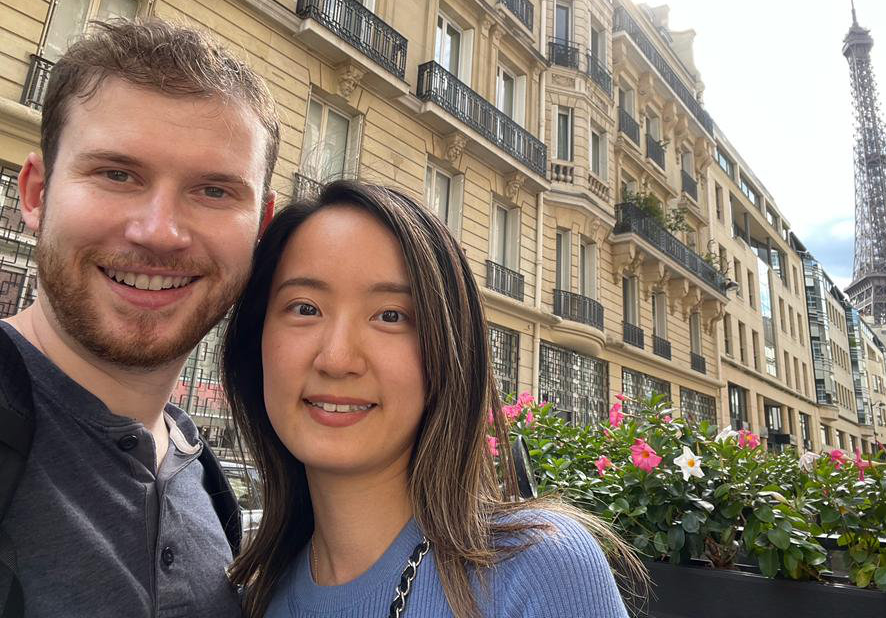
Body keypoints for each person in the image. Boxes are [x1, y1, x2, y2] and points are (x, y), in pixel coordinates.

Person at [222, 180, 641, 618]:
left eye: (390, 316)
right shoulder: (257, 597)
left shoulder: (538, 570)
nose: (337, 358)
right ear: (258, 342)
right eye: (305, 308)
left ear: (448, 351)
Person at [0, 19, 280, 617]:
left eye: (213, 191)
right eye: (117, 174)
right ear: (36, 194)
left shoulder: (202, 480)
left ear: (260, 227)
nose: (159, 232)